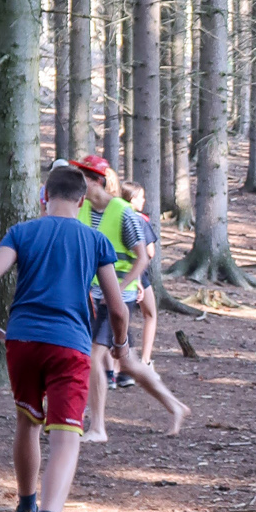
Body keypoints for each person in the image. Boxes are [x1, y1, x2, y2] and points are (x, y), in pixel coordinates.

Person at [0, 161, 131, 512]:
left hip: (22, 341)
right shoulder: (94, 240)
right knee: (66, 436)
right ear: (81, 201)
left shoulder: (22, 232)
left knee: (27, 422)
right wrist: (121, 345)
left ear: (45, 197)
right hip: (69, 346)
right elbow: (117, 308)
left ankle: (26, 508)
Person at [71, 154, 187, 440]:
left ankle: (98, 428)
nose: (78, 183)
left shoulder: (123, 212)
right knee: (129, 362)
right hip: (93, 297)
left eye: (82, 177)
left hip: (116, 298)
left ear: (96, 182)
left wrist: (121, 289)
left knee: (93, 356)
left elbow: (142, 258)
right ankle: (176, 407)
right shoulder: (82, 210)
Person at [122, 180, 157, 370]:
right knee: (150, 314)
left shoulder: (115, 216)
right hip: (137, 274)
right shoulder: (140, 220)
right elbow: (150, 252)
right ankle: (145, 360)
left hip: (116, 273)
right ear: (132, 198)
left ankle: (119, 364)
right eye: (141, 197)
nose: (144, 201)